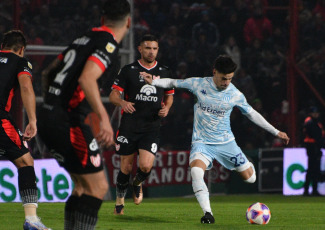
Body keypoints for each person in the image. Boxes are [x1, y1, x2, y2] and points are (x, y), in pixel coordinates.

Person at [141, 55, 290, 224]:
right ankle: (208, 214)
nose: (226, 82)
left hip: (226, 143)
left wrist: (276, 132)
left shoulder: (235, 94)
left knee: (250, 178)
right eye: (223, 78)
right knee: (196, 171)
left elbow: (252, 114)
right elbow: (174, 82)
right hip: (201, 142)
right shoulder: (198, 84)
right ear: (214, 72)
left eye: (230, 79)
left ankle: (246, 163)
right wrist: (153, 82)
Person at [37, 1, 131, 229]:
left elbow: (48, 73)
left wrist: (52, 105)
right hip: (68, 120)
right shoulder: (108, 44)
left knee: (81, 187)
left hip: (48, 115)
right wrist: (104, 120)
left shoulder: (83, 38)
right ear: (128, 22)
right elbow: (87, 78)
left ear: (102, 19)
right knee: (97, 188)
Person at [109, 34, 174, 215]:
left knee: (145, 167)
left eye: (154, 48)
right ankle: (119, 203)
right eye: (147, 48)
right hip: (129, 125)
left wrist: (167, 108)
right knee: (126, 167)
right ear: (140, 49)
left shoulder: (165, 71)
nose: (151, 52)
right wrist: (122, 103)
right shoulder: (128, 70)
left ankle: (137, 183)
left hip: (151, 126)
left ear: (157, 50)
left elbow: (169, 95)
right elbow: (114, 95)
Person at [0, 30, 50, 230]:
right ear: (21, 49)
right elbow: (26, 87)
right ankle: (31, 220)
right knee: (25, 162)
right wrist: (33, 120)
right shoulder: (20, 61)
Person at [303, 106, 325, 196]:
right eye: (314, 113)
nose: (316, 114)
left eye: (316, 113)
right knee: (312, 170)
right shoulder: (310, 122)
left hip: (315, 147)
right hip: (312, 147)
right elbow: (317, 136)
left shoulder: (315, 122)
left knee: (314, 170)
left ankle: (312, 190)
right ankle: (308, 190)